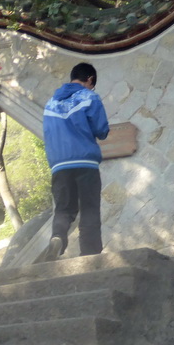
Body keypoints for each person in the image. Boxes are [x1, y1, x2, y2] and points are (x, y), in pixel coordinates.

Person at [40, 62, 110, 261]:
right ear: (89, 79)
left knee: (63, 209)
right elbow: (101, 130)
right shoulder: (89, 97)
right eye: (92, 84)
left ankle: (57, 238)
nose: (91, 87)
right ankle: (90, 255)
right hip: (85, 162)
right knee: (89, 208)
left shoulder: (51, 103)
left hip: (59, 165)